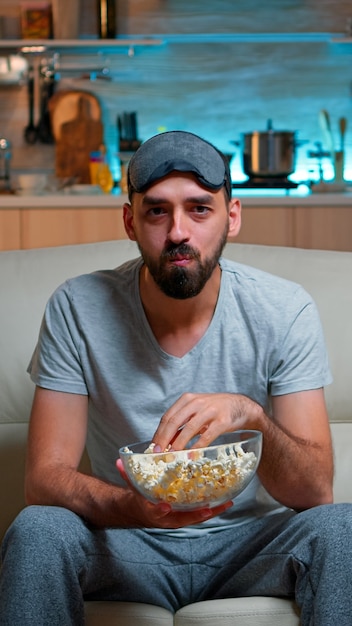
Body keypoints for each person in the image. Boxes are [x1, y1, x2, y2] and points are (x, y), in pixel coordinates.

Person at [0, 130, 351, 626]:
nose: (179, 232)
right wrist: (135, 508)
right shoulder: (77, 307)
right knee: (37, 529)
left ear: (232, 216)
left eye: (200, 209)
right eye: (157, 211)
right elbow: (44, 479)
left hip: (249, 547)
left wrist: (249, 415)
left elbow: (315, 492)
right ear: (130, 221)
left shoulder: (284, 309)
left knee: (343, 528)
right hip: (126, 543)